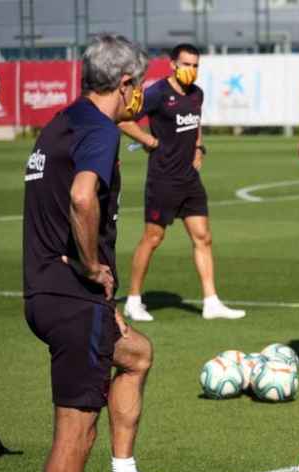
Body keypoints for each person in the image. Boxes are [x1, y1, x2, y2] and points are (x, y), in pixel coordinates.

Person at [23, 34, 172, 472]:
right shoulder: (100, 131)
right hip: (70, 298)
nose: (143, 97)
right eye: (142, 85)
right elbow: (83, 196)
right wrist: (90, 267)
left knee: (135, 354)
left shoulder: (60, 122)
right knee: (76, 430)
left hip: (48, 293)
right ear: (126, 85)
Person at [119, 43, 245, 322]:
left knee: (203, 237)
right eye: (186, 64)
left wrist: (198, 148)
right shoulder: (157, 93)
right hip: (163, 178)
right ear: (173, 64)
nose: (191, 70)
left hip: (189, 179)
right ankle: (133, 300)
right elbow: (123, 119)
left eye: (196, 65)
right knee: (153, 238)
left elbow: (195, 124)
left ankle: (211, 302)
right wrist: (148, 140)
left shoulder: (196, 94)